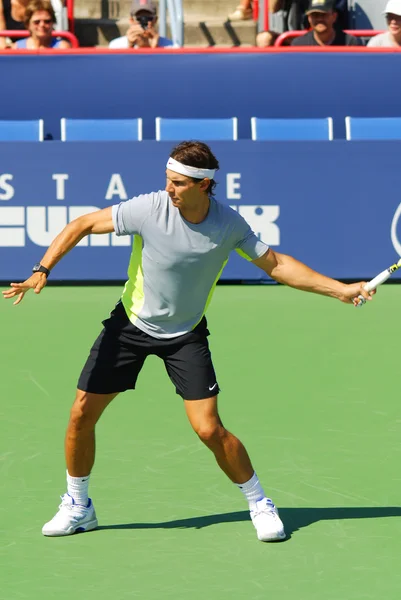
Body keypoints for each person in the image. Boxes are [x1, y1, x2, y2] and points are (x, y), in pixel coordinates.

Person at [2, 140, 374, 542]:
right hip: (130, 325)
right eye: (168, 180)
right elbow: (83, 225)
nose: (169, 189)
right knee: (80, 414)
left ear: (203, 186)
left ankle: (259, 502)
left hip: (185, 335)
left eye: (178, 183)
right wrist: (42, 269)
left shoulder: (229, 224)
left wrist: (339, 290)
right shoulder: (149, 208)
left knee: (209, 429)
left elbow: (277, 265)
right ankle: (78, 506)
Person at [291, 0, 362, 46]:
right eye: (315, 15)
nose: (319, 19)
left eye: (324, 14)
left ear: (334, 16)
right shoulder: (299, 45)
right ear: (309, 18)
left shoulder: (350, 43)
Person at [109, 0, 174, 49]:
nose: (144, 22)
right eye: (139, 19)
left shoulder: (169, 47)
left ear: (155, 20)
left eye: (149, 18)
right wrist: (130, 47)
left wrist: (155, 47)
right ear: (131, 20)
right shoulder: (116, 46)